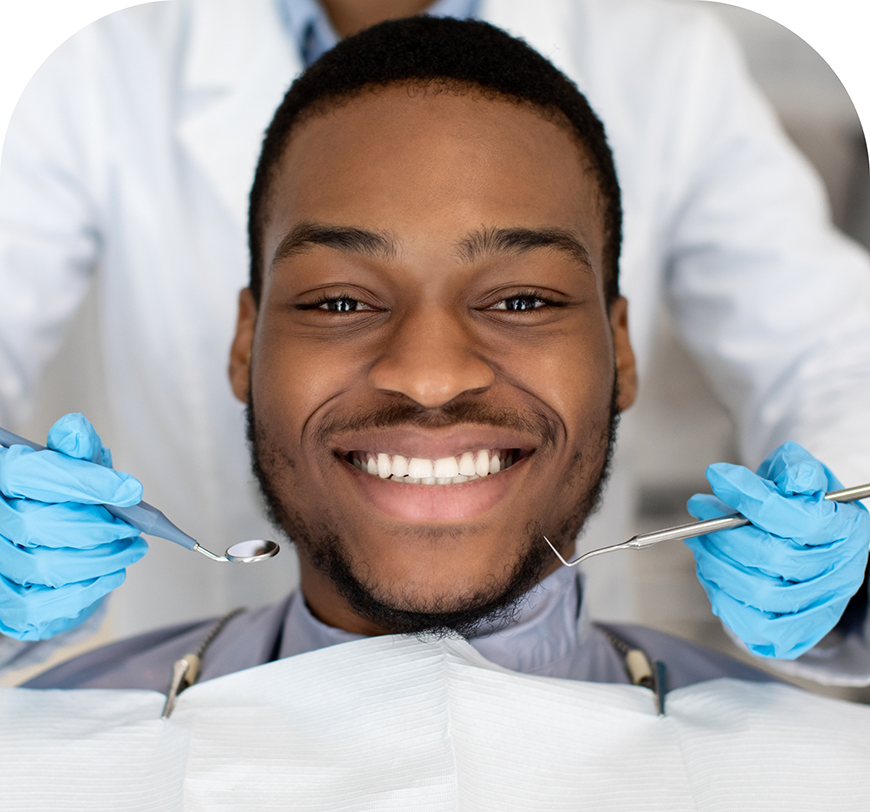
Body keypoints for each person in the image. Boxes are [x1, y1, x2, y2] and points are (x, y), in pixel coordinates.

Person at [1, 0, 869, 681]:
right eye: (339, 301)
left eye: (523, 297)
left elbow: (834, 353)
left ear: (620, 347)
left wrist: (843, 550)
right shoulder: (90, 59)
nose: (428, 377)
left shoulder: (670, 66)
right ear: (246, 340)